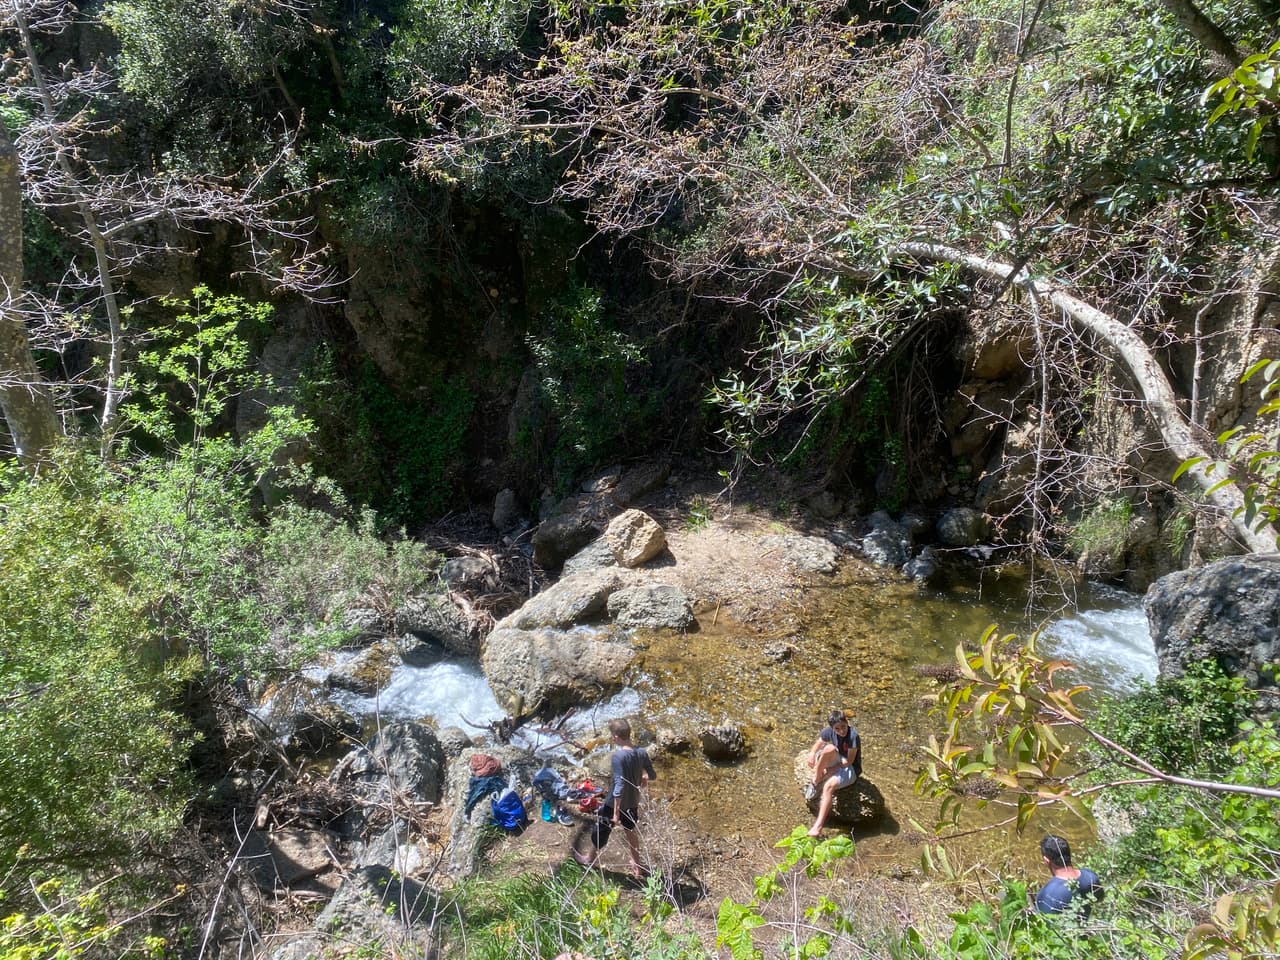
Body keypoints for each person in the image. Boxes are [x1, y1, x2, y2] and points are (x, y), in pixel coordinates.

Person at [573, 718, 656, 878]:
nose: (612, 739)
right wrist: (643, 778)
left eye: (612, 736)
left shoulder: (618, 757)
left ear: (617, 737)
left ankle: (589, 859)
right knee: (630, 831)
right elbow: (652, 775)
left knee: (601, 830)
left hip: (614, 804)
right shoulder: (641, 752)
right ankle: (637, 866)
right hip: (632, 801)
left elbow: (619, 785)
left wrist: (616, 812)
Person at [805, 709, 861, 836]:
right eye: (837, 729)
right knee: (828, 748)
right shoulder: (829, 731)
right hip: (838, 758)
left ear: (847, 723)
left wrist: (831, 770)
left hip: (850, 767)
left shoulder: (853, 736)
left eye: (843, 727)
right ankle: (815, 780)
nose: (841, 731)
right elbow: (819, 742)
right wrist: (812, 753)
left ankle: (817, 827)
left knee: (828, 786)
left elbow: (848, 761)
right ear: (832, 728)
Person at [1035, 835, 1104, 916]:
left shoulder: (1047, 894)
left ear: (1046, 860)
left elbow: (1045, 923)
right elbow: (1100, 901)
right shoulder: (1091, 876)